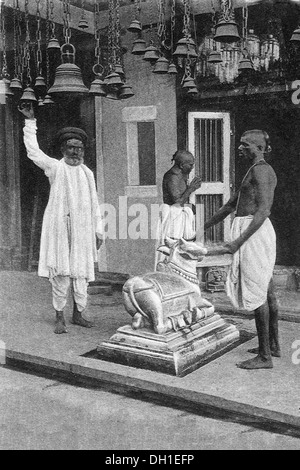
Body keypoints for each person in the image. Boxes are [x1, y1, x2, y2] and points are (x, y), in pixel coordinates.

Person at [19, 103, 103, 334]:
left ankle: (78, 314)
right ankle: (59, 317)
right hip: (60, 229)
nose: (75, 152)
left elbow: (95, 203)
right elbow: (33, 152)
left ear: (84, 150)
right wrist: (30, 122)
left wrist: (98, 230)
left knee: (82, 274)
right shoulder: (55, 167)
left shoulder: (88, 173)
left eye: (79, 148)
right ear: (63, 149)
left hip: (83, 231)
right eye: (70, 147)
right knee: (62, 273)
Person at [204, 129, 280, 369]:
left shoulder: (261, 171)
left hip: (254, 234)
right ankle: (274, 346)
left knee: (257, 290)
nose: (239, 148)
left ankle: (265, 357)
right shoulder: (251, 170)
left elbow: (264, 211)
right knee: (266, 289)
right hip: (249, 231)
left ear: (257, 147)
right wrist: (202, 228)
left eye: (244, 145)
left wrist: (239, 241)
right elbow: (230, 204)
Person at [155, 150, 202, 269]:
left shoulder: (182, 175)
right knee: (172, 248)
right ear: (182, 165)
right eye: (190, 165)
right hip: (173, 217)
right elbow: (177, 201)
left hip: (179, 216)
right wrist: (191, 188)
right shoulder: (172, 176)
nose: (192, 167)